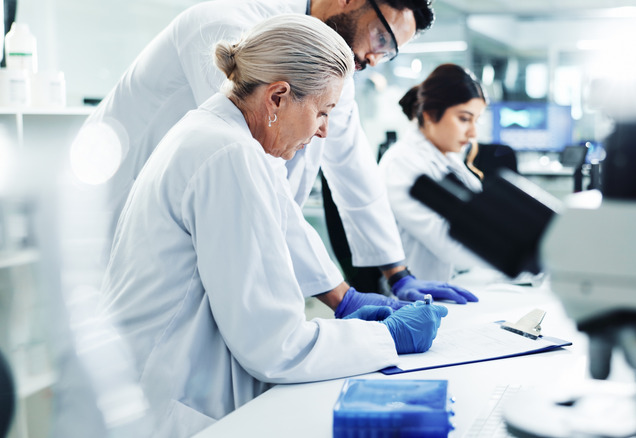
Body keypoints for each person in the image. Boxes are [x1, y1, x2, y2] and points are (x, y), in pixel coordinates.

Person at [99, 15, 448, 437]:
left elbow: (281, 225)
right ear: (278, 97)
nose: (323, 132)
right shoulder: (228, 155)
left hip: (158, 390)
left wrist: (349, 303)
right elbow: (276, 347)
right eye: (322, 112)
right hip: (166, 410)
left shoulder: (219, 139)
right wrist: (386, 339)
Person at [75, 0, 477, 311]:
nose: (375, 59)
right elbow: (252, 171)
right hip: (123, 231)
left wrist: (398, 272)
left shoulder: (334, 65)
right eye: (382, 39)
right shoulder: (233, 25)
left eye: (389, 54)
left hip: (200, 241)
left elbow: (354, 170)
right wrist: (341, 297)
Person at [378, 63, 495, 282]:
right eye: (464, 119)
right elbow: (448, 242)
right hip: (424, 295)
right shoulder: (401, 163)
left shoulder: (449, 159)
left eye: (475, 121)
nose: (472, 133)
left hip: (467, 281)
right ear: (431, 114)